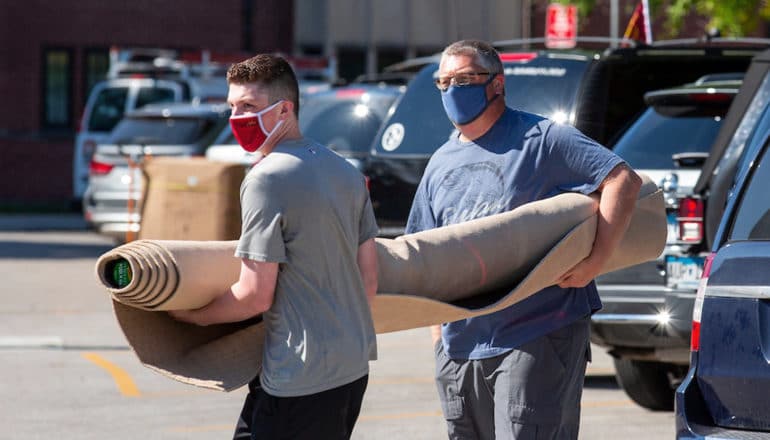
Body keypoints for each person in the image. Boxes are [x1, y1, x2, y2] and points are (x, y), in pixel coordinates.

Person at [406, 40, 642, 439]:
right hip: (461, 345)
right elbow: (426, 251)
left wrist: (595, 262)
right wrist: (439, 339)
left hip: (537, 332)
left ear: (496, 84)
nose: (451, 91)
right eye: (443, 82)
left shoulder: (542, 138)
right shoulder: (440, 162)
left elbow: (621, 179)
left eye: (464, 80)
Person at [169, 54, 379, 440]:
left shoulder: (266, 179)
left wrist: (192, 317)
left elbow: (254, 295)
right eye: (232, 106)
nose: (237, 118)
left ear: (285, 109)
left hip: (297, 378)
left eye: (248, 106)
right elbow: (368, 283)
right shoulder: (347, 173)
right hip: (350, 371)